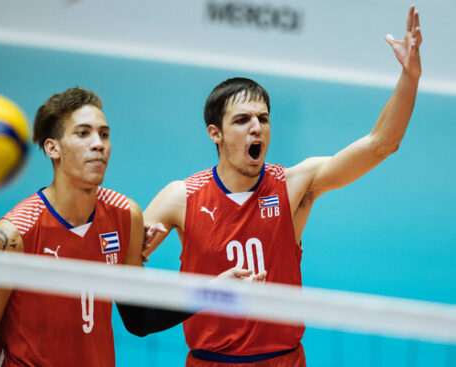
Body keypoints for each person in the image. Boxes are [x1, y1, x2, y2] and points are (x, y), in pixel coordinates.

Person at [143, 6, 422, 367]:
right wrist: (140, 252)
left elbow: (380, 143)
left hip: (283, 360)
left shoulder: (294, 186)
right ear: (216, 134)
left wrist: (410, 76)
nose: (256, 127)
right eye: (242, 120)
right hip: (209, 360)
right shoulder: (181, 197)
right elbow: (122, 270)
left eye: (263, 118)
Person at [0, 87, 195, 367]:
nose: (99, 144)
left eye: (104, 134)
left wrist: (212, 291)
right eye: (83, 133)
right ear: (52, 148)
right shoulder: (11, 237)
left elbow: (139, 320)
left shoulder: (124, 216)